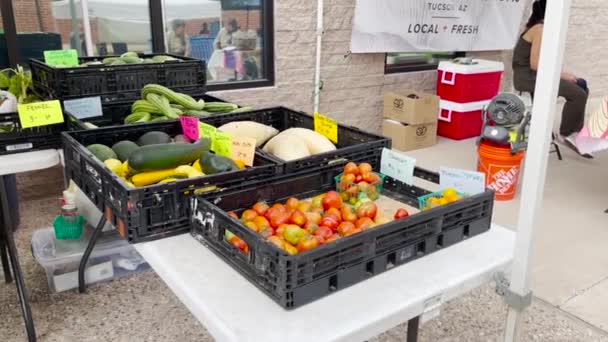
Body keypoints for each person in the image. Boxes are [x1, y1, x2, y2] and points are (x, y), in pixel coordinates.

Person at [512, 0, 592, 158]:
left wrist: (562, 73)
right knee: (578, 94)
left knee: (582, 85)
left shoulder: (535, 27)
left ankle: (575, 132)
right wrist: (562, 75)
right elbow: (535, 64)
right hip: (528, 77)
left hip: (535, 75)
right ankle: (566, 134)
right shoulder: (539, 29)